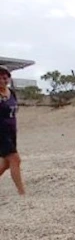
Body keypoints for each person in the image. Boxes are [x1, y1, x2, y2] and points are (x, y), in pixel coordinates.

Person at [0, 66, 26, 196]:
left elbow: (14, 110)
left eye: (5, 77)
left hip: (11, 131)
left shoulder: (11, 92)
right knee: (15, 159)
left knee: (5, 163)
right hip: (1, 134)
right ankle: (22, 193)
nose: (2, 80)